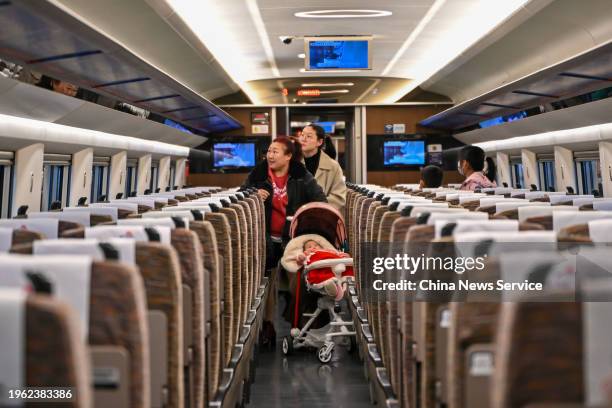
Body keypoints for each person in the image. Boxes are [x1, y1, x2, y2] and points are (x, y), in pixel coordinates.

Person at [240, 136, 327, 346]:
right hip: (265, 237)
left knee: (299, 281)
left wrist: (301, 214)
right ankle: (266, 328)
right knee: (266, 284)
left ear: (288, 156)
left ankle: (302, 327)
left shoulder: (301, 175)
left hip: (293, 237)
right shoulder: (259, 174)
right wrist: (252, 193)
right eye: (269, 151)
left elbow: (320, 200)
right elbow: (240, 196)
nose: (270, 155)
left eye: (275, 151)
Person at [299, 124, 346, 212]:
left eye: (309, 136)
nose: (303, 139)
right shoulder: (292, 162)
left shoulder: (333, 166)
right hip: (295, 216)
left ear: (319, 142)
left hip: (322, 216)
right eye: (302, 135)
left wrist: (317, 208)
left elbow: (339, 197)